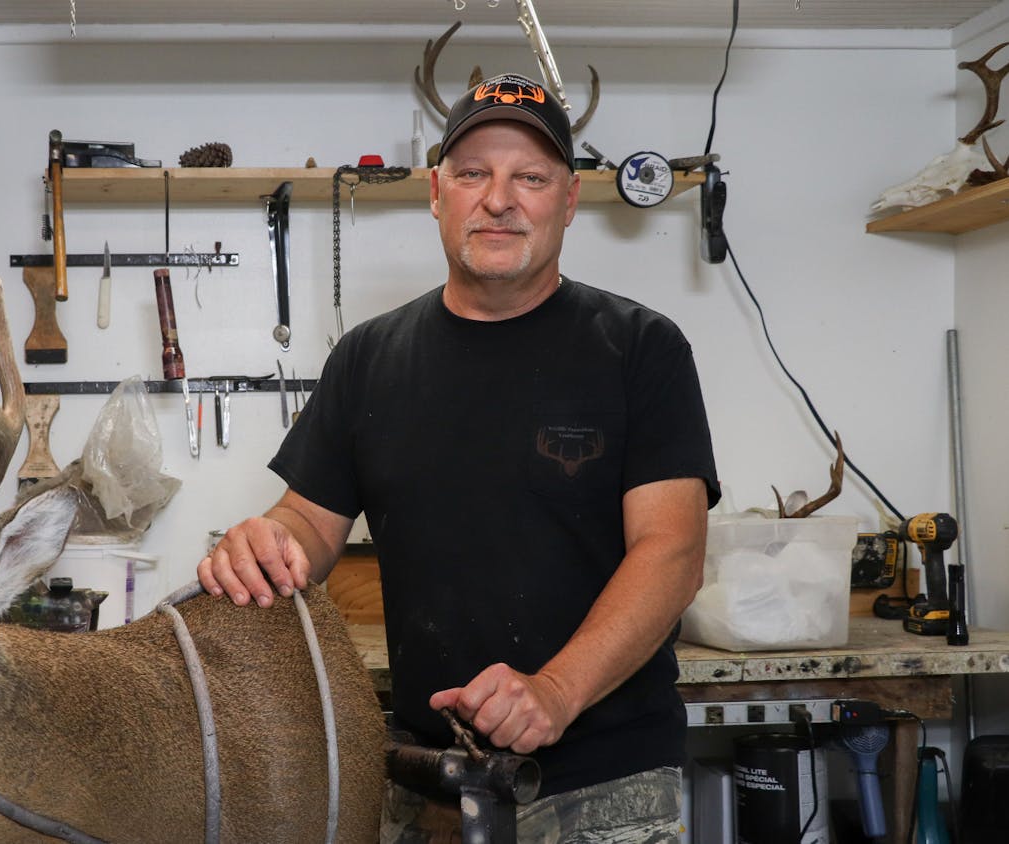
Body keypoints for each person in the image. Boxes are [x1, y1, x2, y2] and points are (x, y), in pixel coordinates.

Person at [198, 71, 720, 842]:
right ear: (437, 195)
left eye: (531, 178)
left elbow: (672, 551)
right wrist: (266, 544)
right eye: (473, 173)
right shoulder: (367, 358)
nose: (499, 198)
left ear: (568, 202)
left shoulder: (641, 349)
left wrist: (554, 690)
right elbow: (308, 523)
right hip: (428, 778)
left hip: (602, 779)